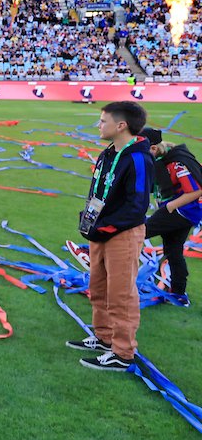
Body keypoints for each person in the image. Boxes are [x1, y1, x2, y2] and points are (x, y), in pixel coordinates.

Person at [68, 101, 155, 371]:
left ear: (121, 125)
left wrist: (106, 227)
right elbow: (97, 192)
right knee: (99, 287)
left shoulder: (139, 158)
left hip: (122, 234)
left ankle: (123, 351)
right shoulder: (107, 154)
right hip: (100, 230)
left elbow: (137, 205)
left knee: (121, 293)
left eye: (103, 121)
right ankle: (104, 337)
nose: (98, 125)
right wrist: (88, 219)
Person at [142, 127, 201, 307]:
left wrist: (169, 207)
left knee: (136, 233)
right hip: (183, 211)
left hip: (183, 211)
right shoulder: (161, 159)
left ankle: (107, 273)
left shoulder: (177, 163)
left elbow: (196, 190)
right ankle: (179, 294)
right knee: (173, 250)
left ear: (153, 149)